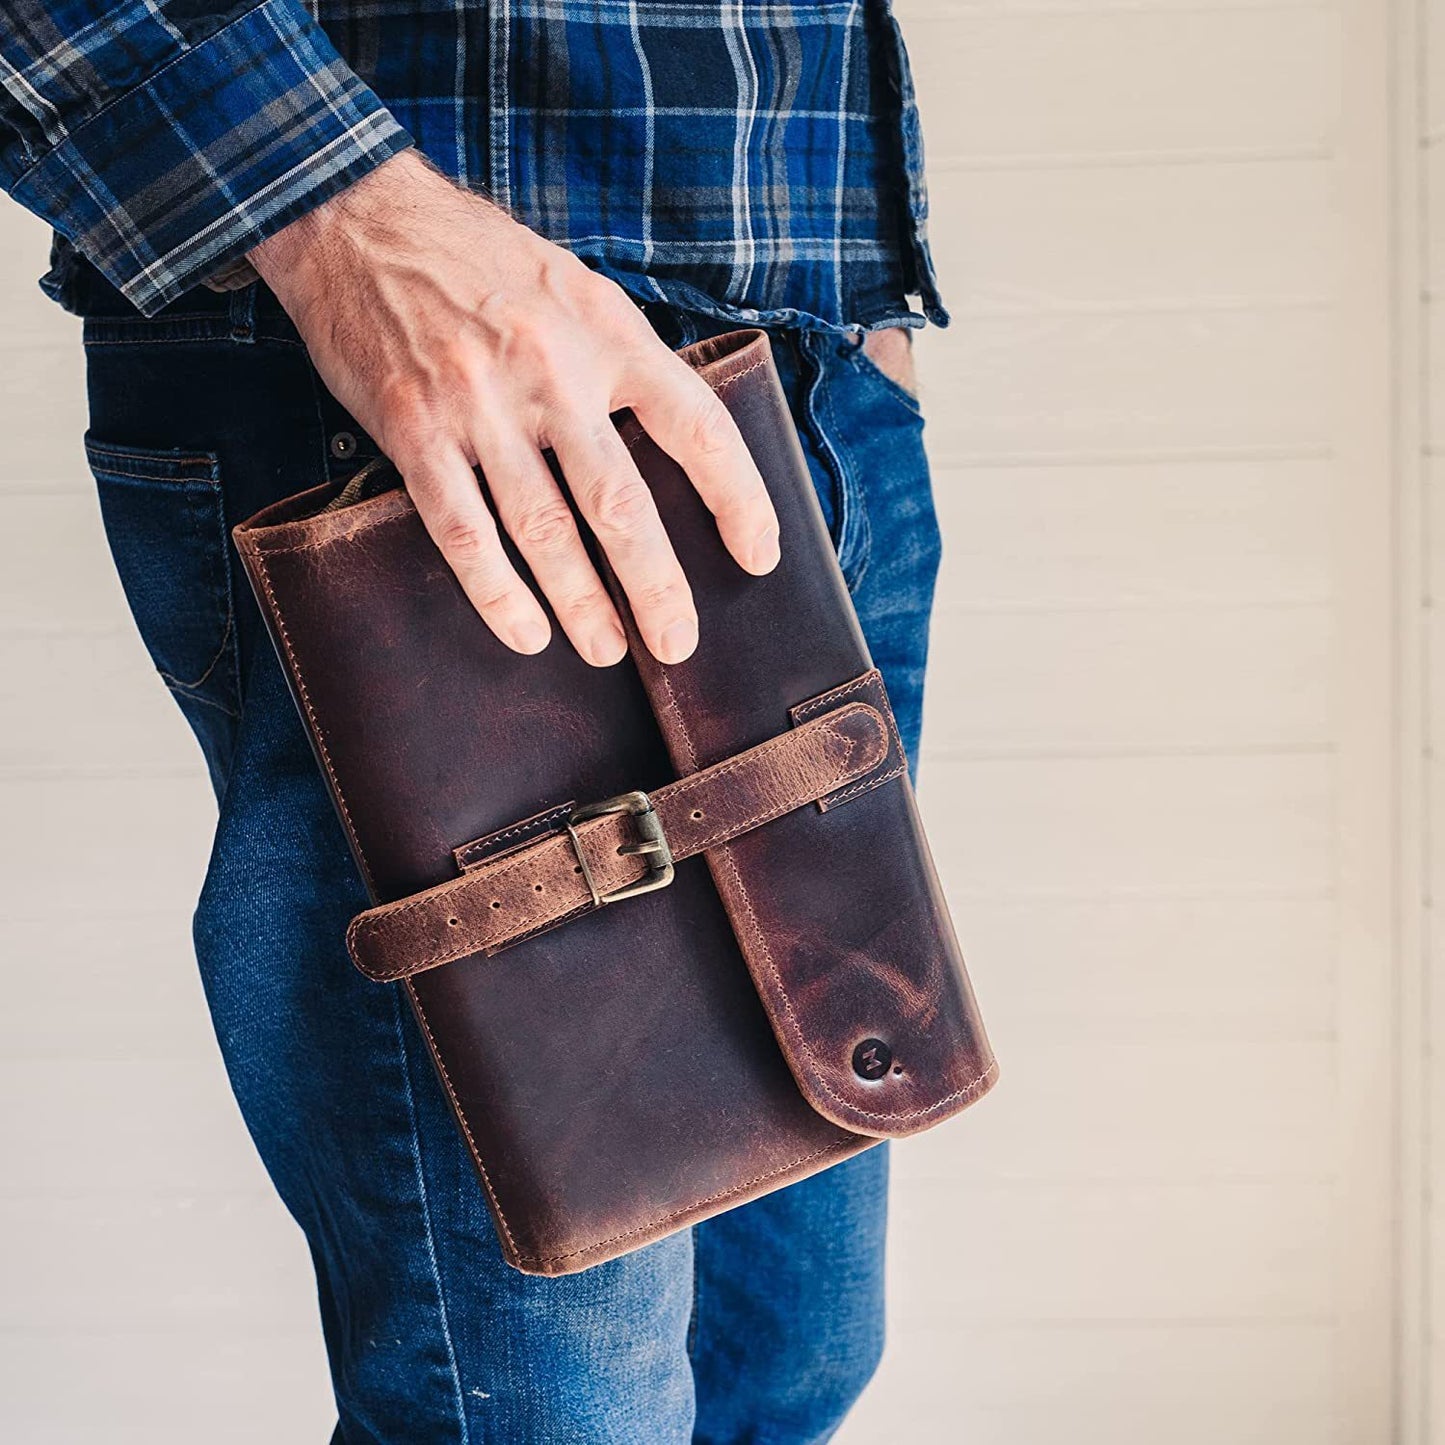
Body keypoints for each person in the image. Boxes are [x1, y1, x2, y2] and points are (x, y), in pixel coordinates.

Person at [0, 1, 948, 1438]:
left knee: (788, 1357)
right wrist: (339, 216)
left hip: (798, 375)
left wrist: (857, 307)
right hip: (432, 387)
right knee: (538, 1405)